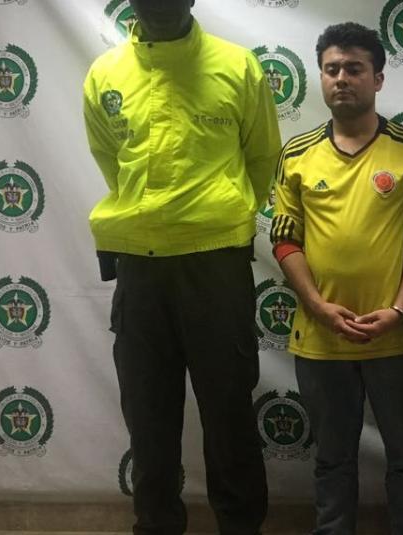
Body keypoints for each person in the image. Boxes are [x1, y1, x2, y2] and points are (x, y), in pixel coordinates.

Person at [82, 0, 280, 533]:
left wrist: (217, 213)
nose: (162, 7)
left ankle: (241, 527)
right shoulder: (105, 73)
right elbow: (110, 160)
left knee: (229, 414)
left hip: (215, 265)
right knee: (148, 420)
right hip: (140, 269)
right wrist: (151, 216)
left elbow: (262, 157)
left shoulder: (237, 66)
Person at [269, 22, 403, 535]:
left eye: (354, 69)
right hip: (321, 339)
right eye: (332, 69)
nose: (342, 78)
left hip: (396, 338)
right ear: (321, 77)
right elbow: (285, 241)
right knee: (332, 460)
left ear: (378, 79)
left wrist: (400, 310)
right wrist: (318, 307)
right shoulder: (296, 153)